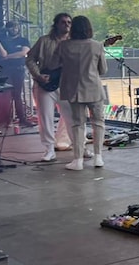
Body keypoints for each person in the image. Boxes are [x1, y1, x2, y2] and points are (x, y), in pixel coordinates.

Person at [56, 15, 107, 171]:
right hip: (94, 90)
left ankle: (77, 160)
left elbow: (57, 65)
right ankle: (98, 157)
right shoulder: (97, 46)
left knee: (78, 125)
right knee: (98, 123)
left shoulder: (64, 46)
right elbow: (103, 70)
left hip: (74, 90)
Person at [25, 13, 76, 161]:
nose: (66, 25)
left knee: (72, 117)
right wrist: (38, 75)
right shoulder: (44, 41)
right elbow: (30, 59)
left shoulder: (74, 43)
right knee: (45, 117)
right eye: (63, 22)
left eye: (69, 22)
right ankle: (49, 149)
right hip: (46, 84)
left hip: (66, 84)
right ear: (56, 24)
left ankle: (79, 147)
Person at [0, 21, 32, 128]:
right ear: (7, 29)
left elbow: (23, 53)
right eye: (11, 27)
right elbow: (2, 53)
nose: (14, 29)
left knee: (17, 95)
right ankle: (6, 120)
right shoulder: (3, 41)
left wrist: (8, 57)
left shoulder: (23, 40)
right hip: (6, 70)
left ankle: (22, 119)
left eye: (16, 27)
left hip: (18, 69)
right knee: (6, 95)